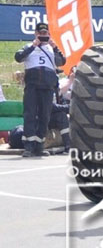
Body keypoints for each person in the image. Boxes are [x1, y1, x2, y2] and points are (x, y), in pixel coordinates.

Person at [14, 22, 65, 158]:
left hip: (47, 87)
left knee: (45, 116)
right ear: (36, 34)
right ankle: (29, 146)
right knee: (30, 114)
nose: (43, 36)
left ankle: (40, 145)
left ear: (48, 34)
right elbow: (18, 57)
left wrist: (55, 47)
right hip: (32, 86)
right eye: (40, 33)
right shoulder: (29, 47)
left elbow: (61, 62)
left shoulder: (51, 49)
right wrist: (33, 45)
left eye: (45, 34)